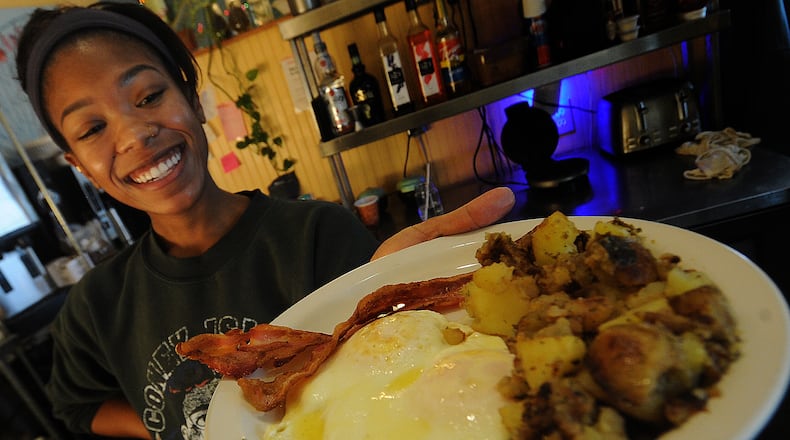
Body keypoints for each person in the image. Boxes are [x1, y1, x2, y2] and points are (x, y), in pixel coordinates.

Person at [14, 2, 514, 439]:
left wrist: (389, 289)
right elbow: (75, 406)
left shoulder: (317, 234)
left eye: (147, 96)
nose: (133, 134)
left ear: (192, 99)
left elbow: (389, 353)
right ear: (79, 165)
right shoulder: (94, 306)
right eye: (92, 127)